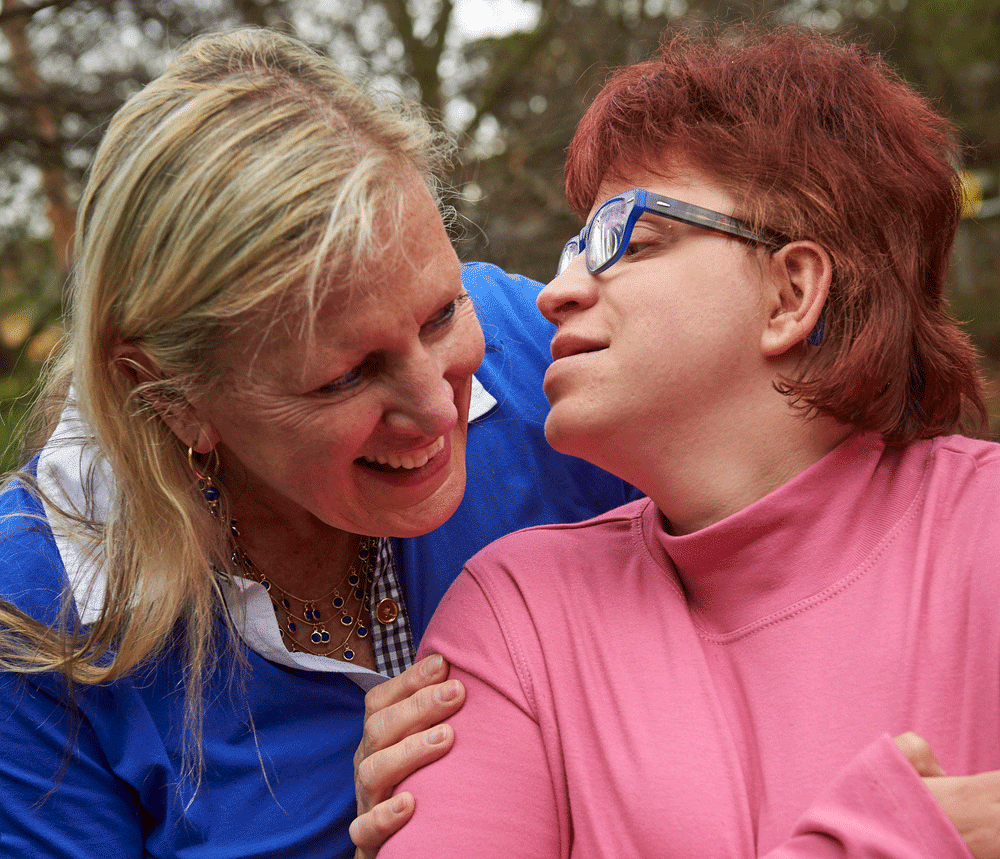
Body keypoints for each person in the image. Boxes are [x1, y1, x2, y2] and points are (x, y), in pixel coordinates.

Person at [0, 29, 638, 859]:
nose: (434, 406)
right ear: (171, 397)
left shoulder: (539, 354)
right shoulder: (38, 617)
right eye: (345, 376)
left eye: (442, 312)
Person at [379, 25, 1000, 859]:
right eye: (572, 247)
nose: (554, 294)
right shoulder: (514, 614)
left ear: (791, 291)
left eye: (624, 239)